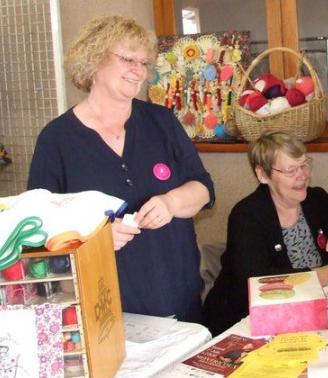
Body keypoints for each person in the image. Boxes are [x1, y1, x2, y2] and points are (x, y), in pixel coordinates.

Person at [28, 16, 215, 323]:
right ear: (93, 60)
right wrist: (93, 238)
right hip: (106, 313)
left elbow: (204, 189)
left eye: (144, 62)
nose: (139, 70)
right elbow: (39, 230)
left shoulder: (162, 123)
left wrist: (171, 202)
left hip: (182, 304)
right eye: (128, 59)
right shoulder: (57, 140)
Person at [203, 131, 328, 336]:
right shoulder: (246, 215)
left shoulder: (316, 200)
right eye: (291, 170)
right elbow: (256, 281)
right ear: (263, 175)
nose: (303, 175)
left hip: (310, 316)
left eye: (304, 164)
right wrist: (326, 274)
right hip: (245, 324)